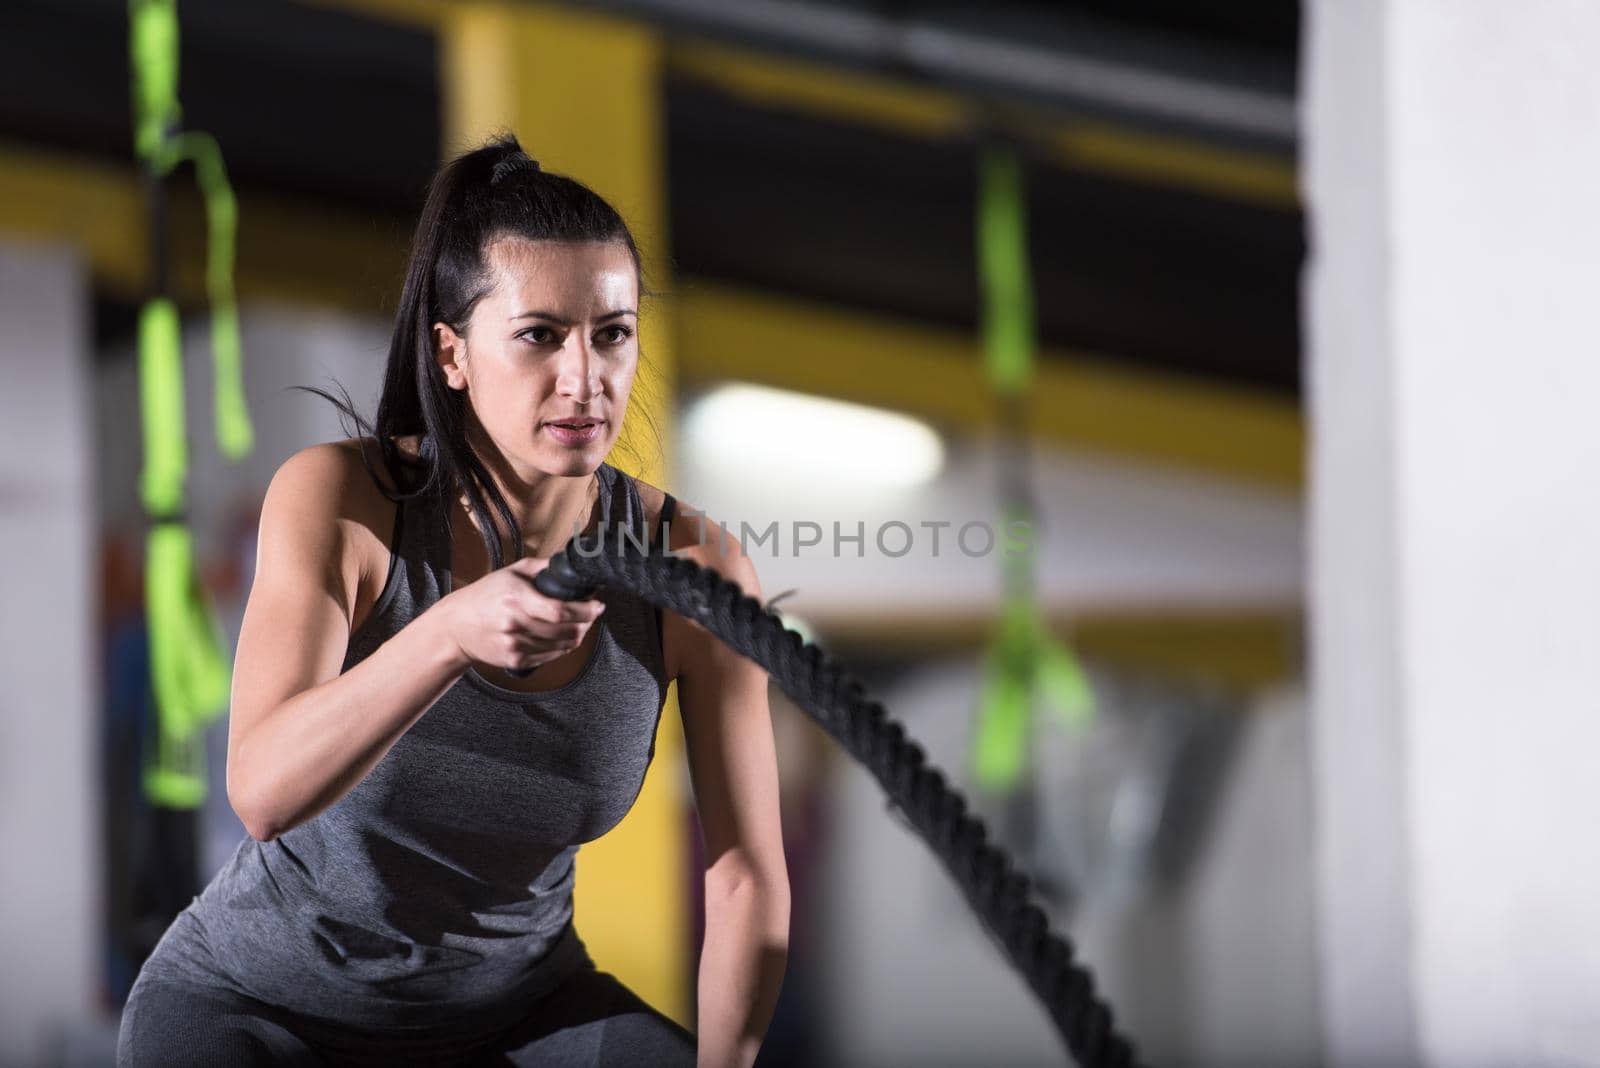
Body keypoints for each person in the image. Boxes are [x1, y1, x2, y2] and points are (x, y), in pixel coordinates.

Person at [117, 134, 790, 1067]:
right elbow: (263, 789)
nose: (584, 379)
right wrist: (446, 634)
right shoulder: (341, 499)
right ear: (452, 354)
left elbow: (747, 876)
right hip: (263, 1009)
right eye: (538, 335)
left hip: (518, 1016)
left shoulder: (692, 563)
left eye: (613, 333)